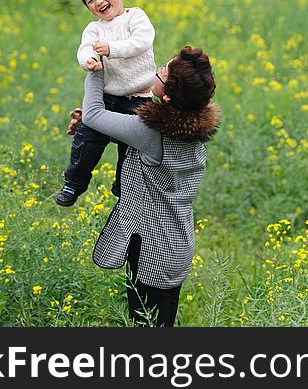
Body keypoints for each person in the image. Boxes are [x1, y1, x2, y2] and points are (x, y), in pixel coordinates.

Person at [68, 45, 219, 326]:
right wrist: (97, 128)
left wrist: (95, 68)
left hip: (150, 248)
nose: (157, 72)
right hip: (178, 244)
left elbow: (94, 114)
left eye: (162, 72)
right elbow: (129, 137)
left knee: (145, 325)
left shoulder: (149, 132)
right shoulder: (193, 132)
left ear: (169, 96)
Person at [56, 0, 157, 207]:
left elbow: (142, 42)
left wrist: (112, 49)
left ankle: (124, 187)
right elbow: (85, 48)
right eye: (90, 0)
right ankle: (73, 184)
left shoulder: (136, 17)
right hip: (107, 97)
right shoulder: (94, 29)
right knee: (87, 139)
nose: (98, 2)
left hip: (138, 98)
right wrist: (88, 61)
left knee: (131, 150)